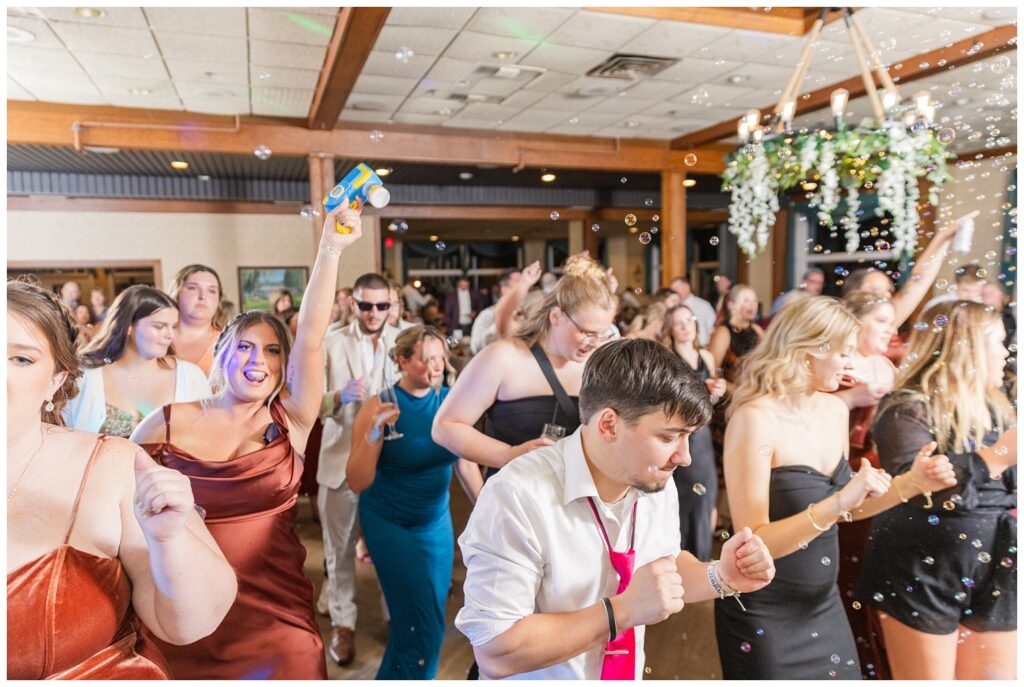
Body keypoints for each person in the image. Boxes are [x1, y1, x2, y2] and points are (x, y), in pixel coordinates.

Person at [130, 202, 362, 679]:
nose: (259, 360)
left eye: (272, 350)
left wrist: (331, 247)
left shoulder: (292, 419)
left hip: (278, 611)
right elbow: (118, 507)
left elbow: (312, 338)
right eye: (245, 346)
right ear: (221, 354)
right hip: (184, 607)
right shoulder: (166, 423)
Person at [455, 338, 776, 679]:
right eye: (669, 437)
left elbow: (663, 565)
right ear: (608, 425)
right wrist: (620, 612)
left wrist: (721, 575)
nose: (685, 457)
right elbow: (497, 651)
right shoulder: (517, 495)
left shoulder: (655, 479)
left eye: (688, 437)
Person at [716, 296, 956, 679]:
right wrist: (840, 500)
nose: (850, 363)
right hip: (764, 610)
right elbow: (753, 542)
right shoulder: (754, 419)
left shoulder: (834, 411)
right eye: (843, 353)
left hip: (823, 607)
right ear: (806, 349)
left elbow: (849, 509)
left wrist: (912, 483)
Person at [7, 279, 236, 679]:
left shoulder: (112, 465)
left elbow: (188, 625)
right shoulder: (98, 379)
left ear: (56, 381)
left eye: (22, 359)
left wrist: (169, 537)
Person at [855, 300, 1016, 680]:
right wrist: (997, 456)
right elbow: (919, 489)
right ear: (968, 347)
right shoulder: (906, 407)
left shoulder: (999, 407)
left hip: (999, 565)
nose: (1005, 351)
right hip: (922, 569)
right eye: (997, 342)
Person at [346, 326, 483, 679]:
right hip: (390, 525)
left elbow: (465, 462)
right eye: (427, 359)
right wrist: (373, 434)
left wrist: (488, 511)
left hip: (434, 524)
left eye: (441, 357)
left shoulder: (451, 402)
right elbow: (357, 481)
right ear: (404, 361)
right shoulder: (381, 404)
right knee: (419, 624)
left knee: (430, 617)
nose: (437, 366)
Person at [433, 254, 617, 479]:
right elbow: (445, 426)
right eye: (587, 333)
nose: (595, 343)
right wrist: (509, 454)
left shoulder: (601, 363)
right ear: (556, 316)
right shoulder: (504, 357)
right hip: (514, 496)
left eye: (602, 334)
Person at [317, 271, 402, 666]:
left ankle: (394, 618)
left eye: (381, 305)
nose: (373, 312)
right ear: (353, 303)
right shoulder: (331, 342)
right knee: (339, 550)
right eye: (365, 305)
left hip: (391, 464)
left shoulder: (405, 341)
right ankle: (343, 625)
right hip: (340, 461)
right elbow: (305, 403)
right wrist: (336, 396)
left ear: (391, 304)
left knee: (389, 546)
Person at [832, 291, 900, 678]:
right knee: (851, 572)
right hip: (849, 474)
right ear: (856, 323)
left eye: (892, 322)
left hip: (885, 474)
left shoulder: (887, 367)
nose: (891, 329)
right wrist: (852, 397)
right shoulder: (839, 370)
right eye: (882, 321)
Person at [64, 285, 211, 437]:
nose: (169, 335)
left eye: (173, 327)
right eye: (159, 326)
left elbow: (208, 436)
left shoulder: (191, 377)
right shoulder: (85, 376)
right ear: (128, 326)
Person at [662, 304, 726, 560]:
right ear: (671, 330)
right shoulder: (667, 358)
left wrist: (716, 394)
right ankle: (682, 556)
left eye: (690, 320)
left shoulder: (706, 357)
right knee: (685, 498)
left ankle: (699, 557)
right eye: (679, 323)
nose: (687, 326)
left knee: (706, 495)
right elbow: (666, 403)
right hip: (680, 434)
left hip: (703, 437)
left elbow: (712, 404)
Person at [841, 210, 977, 327]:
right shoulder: (841, 327)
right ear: (853, 295)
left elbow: (918, 280)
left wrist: (945, 237)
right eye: (876, 290)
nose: (886, 295)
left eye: (888, 290)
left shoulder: (887, 322)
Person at [168, 264, 225, 377]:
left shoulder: (228, 343)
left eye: (211, 291)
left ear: (219, 299)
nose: (203, 296)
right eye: (193, 288)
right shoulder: (156, 337)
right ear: (176, 294)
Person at [471, 267, 521, 354]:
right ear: (505, 290)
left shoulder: (529, 315)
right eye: (520, 284)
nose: (526, 288)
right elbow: (476, 347)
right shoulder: (487, 315)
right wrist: (502, 322)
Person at [668, 276, 716, 347]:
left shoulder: (704, 305)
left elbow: (712, 328)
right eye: (672, 291)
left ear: (687, 287)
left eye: (676, 289)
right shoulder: (672, 307)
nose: (674, 293)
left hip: (702, 346)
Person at [921, 261, 986, 312]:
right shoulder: (938, 304)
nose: (970, 295)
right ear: (956, 284)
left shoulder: (984, 306)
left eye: (976, 290)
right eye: (966, 290)